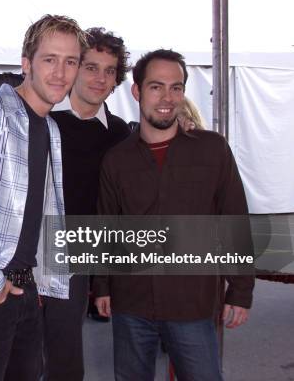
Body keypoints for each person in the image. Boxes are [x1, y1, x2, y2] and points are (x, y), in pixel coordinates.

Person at [93, 49, 254, 381]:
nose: (167, 97)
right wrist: (102, 286)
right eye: (156, 87)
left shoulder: (212, 149)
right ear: (137, 91)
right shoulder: (117, 159)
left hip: (192, 303)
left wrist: (240, 290)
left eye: (176, 87)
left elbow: (233, 220)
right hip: (131, 302)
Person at [0, 14, 87, 381]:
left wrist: (42, 279)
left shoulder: (51, 129)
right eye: (49, 59)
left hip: (25, 292)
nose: (60, 72)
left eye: (70, 62)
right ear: (26, 64)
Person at [45, 27, 131, 380]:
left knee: (65, 354)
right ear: (75, 68)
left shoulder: (119, 132)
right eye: (91, 67)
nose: (100, 78)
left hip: (79, 254)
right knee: (17, 352)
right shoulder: (44, 119)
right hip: (29, 248)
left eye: (109, 71)